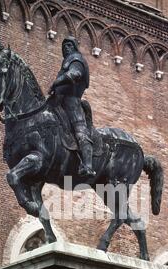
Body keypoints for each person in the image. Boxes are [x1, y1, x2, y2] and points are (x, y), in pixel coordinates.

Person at [48, 36, 96, 177]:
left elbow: (75, 74)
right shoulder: (66, 62)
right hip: (57, 101)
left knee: (80, 132)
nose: (65, 48)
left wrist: (56, 83)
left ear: (74, 47)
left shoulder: (76, 59)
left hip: (72, 102)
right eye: (64, 46)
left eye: (69, 45)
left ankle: (87, 165)